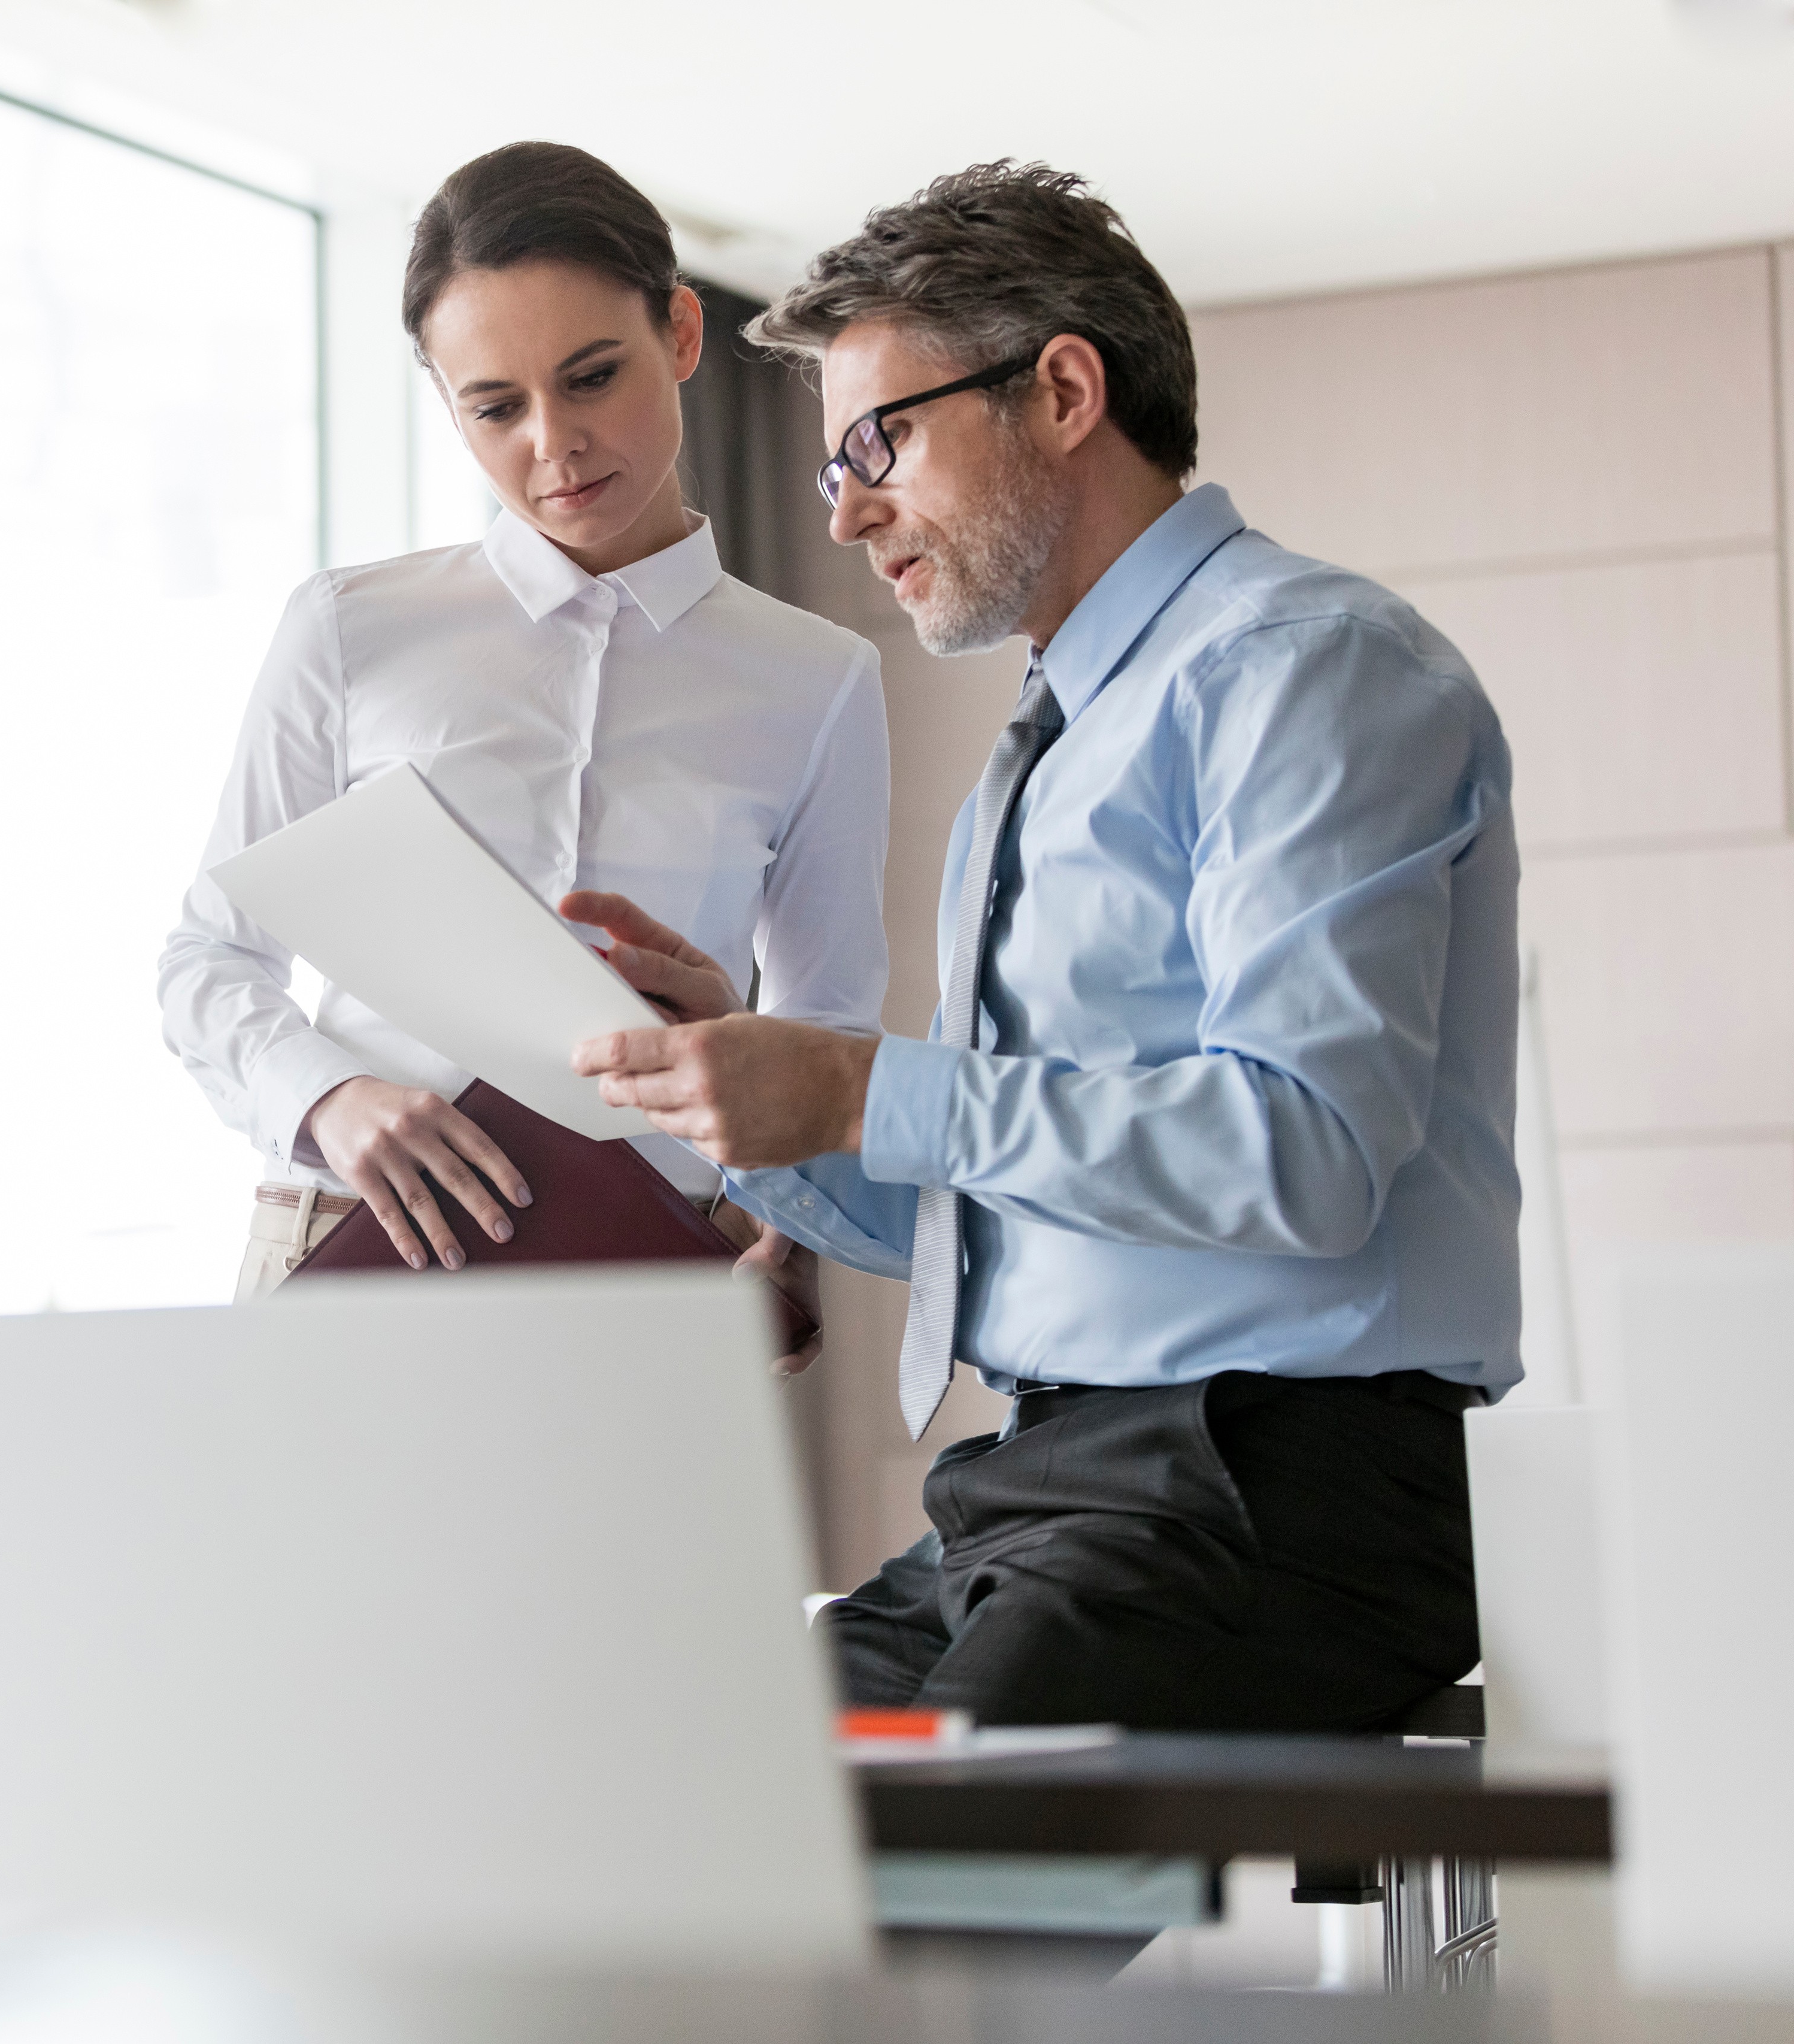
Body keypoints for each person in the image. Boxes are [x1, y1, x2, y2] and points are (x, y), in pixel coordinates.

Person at [571, 161, 1517, 1731]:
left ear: (1064, 391)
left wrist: (864, 1089)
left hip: (1279, 1475)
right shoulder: (1053, 739)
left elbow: (1305, 1150)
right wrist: (736, 1088)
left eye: (878, 443)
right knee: (699, 1789)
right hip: (1050, 1480)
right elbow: (1012, 1197)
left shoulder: (1301, 667)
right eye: (830, 470)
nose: (849, 512)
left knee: (900, 1860)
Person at [160, 141, 888, 1304]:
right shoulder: (347, 630)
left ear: (681, 334)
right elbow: (209, 959)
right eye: (496, 406)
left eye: (591, 377)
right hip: (346, 1236)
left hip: (645, 1272)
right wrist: (328, 1098)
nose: (553, 443)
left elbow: (828, 1028)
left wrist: (787, 1238)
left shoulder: (820, 681)